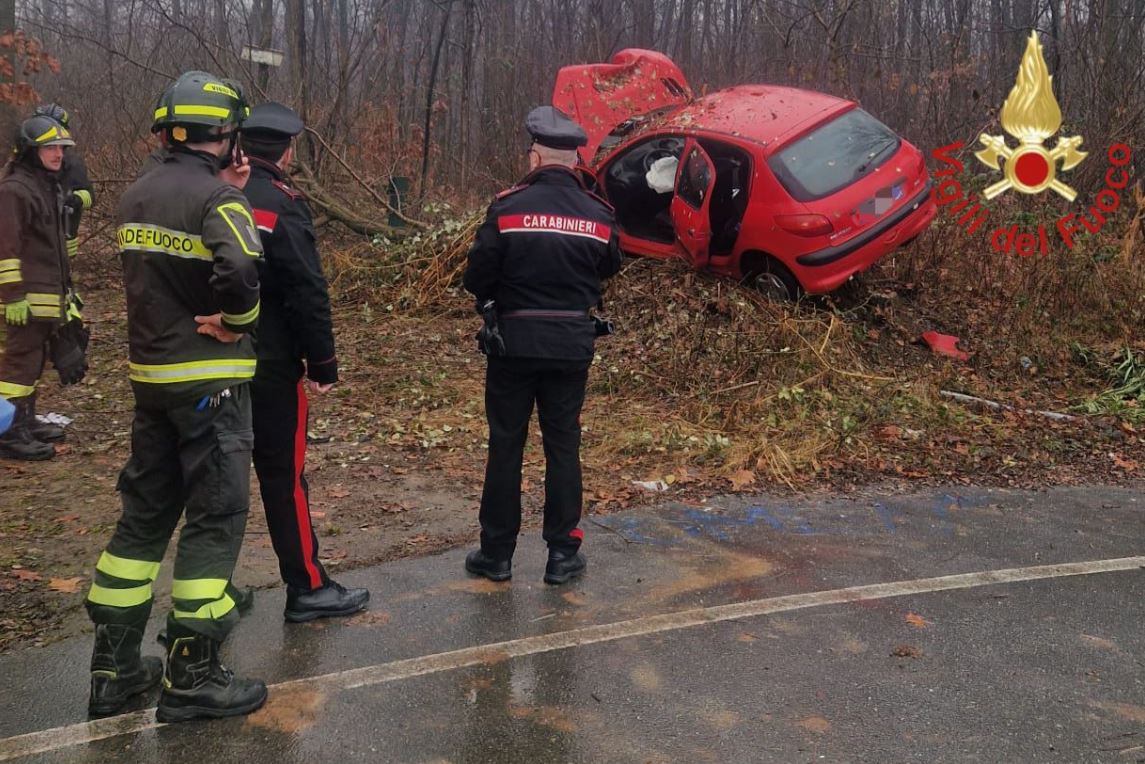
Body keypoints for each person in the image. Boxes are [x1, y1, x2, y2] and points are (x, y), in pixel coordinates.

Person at [84, 70, 267, 722]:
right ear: (228, 135)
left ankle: (113, 670)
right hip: (211, 388)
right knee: (214, 519)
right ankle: (193, 675)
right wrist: (236, 323)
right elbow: (241, 269)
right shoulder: (220, 200)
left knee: (143, 517)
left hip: (151, 386)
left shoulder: (135, 195)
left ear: (166, 129)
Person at [462, 106, 622, 585]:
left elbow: (477, 275)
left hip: (512, 345)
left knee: (506, 447)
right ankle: (561, 555)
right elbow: (610, 265)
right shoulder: (599, 213)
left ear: (534, 156)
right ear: (576, 161)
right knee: (563, 446)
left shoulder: (507, 207)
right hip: (570, 346)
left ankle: (496, 555)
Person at [238, 101, 369, 621]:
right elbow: (306, 291)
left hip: (203, 361)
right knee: (282, 476)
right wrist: (323, 363)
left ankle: (206, 597)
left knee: (211, 479)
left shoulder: (210, 195)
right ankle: (307, 586)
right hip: (269, 363)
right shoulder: (281, 203)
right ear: (288, 152)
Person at [0, 115, 85, 460]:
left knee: (33, 362)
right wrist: (13, 296)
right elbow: (5, 248)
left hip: (48, 297)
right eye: (50, 147)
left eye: (61, 148)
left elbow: (52, 248)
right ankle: (7, 432)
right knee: (18, 365)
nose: (58, 154)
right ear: (30, 151)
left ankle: (25, 420)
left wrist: (69, 295)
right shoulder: (14, 191)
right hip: (25, 299)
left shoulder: (46, 186)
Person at [33, 104, 94, 259]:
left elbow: (90, 196)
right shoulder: (27, 161)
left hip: (63, 244)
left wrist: (74, 200)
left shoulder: (72, 163)